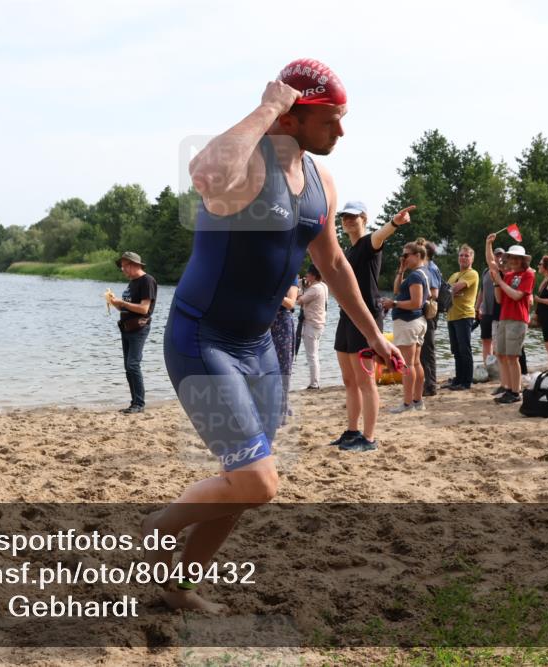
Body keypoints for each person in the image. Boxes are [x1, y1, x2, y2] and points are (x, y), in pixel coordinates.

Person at [147, 59, 403, 613]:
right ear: (292, 117)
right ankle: (157, 532)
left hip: (261, 344)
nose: (341, 131)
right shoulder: (246, 166)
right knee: (258, 482)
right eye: (331, 120)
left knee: (242, 482)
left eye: (343, 118)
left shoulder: (320, 182)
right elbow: (203, 174)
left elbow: (334, 264)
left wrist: (373, 334)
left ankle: (177, 588)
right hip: (202, 338)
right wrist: (267, 106)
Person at [332, 199, 410, 449]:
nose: (347, 220)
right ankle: (352, 431)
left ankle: (369, 438)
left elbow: (381, 235)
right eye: (344, 216)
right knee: (349, 380)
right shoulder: (349, 250)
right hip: (347, 317)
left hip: (366, 317)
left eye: (353, 216)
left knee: (365, 381)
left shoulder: (369, 243)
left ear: (364, 218)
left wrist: (395, 223)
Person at [486, 234, 535, 404]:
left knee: (513, 357)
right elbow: (500, 299)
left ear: (523, 260)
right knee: (501, 354)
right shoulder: (508, 275)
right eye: (511, 257)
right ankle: (507, 388)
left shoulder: (528, 274)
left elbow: (516, 296)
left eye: (516, 258)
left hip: (518, 319)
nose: (513, 260)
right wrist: (496, 283)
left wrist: (500, 280)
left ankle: (515, 391)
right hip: (504, 317)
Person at [382, 241, 429, 412]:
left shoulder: (416, 276)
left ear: (417, 256)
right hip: (416, 322)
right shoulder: (420, 273)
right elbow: (396, 289)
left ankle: (408, 403)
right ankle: (417, 401)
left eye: (406, 255)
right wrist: (401, 269)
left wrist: (393, 304)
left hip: (409, 322)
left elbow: (416, 302)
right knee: (415, 363)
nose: (403, 258)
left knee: (407, 364)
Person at [109, 251, 157, 414]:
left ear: (135, 265)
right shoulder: (132, 283)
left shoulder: (147, 281)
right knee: (128, 366)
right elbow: (125, 307)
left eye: (124, 266)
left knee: (132, 365)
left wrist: (122, 303)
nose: (122, 269)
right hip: (126, 328)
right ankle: (134, 402)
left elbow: (144, 309)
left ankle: (139, 404)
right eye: (122, 266)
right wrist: (115, 302)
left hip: (139, 328)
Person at [445, 244, 479, 390]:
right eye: (461, 255)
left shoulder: (472, 273)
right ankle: (458, 379)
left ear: (472, 258)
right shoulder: (454, 275)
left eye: (467, 255)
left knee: (465, 349)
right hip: (452, 315)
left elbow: (453, 288)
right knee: (456, 350)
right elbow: (445, 291)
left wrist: (451, 290)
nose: (463, 258)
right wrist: (450, 291)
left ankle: (466, 382)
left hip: (464, 315)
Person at [270, 278, 299, 423]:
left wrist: (272, 293)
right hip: (264, 322)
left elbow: (291, 303)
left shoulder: (290, 276)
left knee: (283, 367)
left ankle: (282, 409)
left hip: (283, 323)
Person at [417, 239, 443, 396]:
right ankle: (428, 383)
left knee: (427, 349)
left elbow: (434, 293)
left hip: (429, 313)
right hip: (425, 312)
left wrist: (417, 296)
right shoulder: (427, 267)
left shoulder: (430, 269)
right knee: (424, 349)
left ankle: (431, 384)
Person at [298, 264, 328, 390]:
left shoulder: (315, 289)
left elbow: (299, 300)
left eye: (308, 273)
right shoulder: (323, 286)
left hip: (312, 324)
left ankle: (314, 384)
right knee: (314, 354)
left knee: (312, 355)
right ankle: (315, 381)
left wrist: (299, 288)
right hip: (319, 324)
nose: (306, 275)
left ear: (314, 275)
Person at [476, 247, 504, 368]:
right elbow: (481, 291)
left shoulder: (503, 271)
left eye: (501, 255)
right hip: (486, 311)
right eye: (497, 255)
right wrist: (477, 307)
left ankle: (498, 368)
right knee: (486, 340)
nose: (499, 258)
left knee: (497, 343)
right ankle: (487, 367)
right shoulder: (485, 271)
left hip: (498, 311)